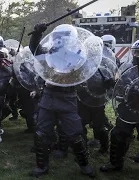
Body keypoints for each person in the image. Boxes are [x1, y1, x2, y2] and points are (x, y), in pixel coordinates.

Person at [29, 23, 95, 177]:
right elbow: (35, 50)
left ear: (70, 38)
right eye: (57, 37)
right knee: (41, 133)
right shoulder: (49, 53)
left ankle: (84, 164)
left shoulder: (79, 56)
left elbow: (81, 74)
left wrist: (64, 76)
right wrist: (37, 33)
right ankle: (42, 166)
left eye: (63, 37)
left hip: (67, 98)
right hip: (48, 98)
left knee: (75, 134)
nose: (59, 40)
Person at [100, 38, 139, 172]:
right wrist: (112, 83)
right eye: (135, 52)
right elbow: (120, 85)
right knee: (118, 134)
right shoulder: (128, 67)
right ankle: (115, 163)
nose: (136, 56)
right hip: (129, 106)